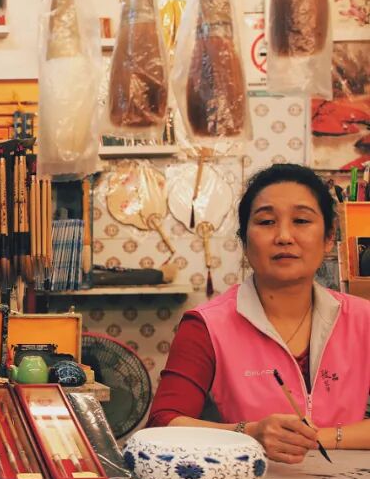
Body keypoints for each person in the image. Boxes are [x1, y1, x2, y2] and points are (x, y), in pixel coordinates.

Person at [149, 163, 370, 463]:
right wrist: (249, 433)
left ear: (329, 237)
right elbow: (163, 423)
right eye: (266, 222)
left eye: (301, 220)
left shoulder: (363, 319)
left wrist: (317, 438)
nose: (283, 236)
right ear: (244, 241)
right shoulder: (206, 325)